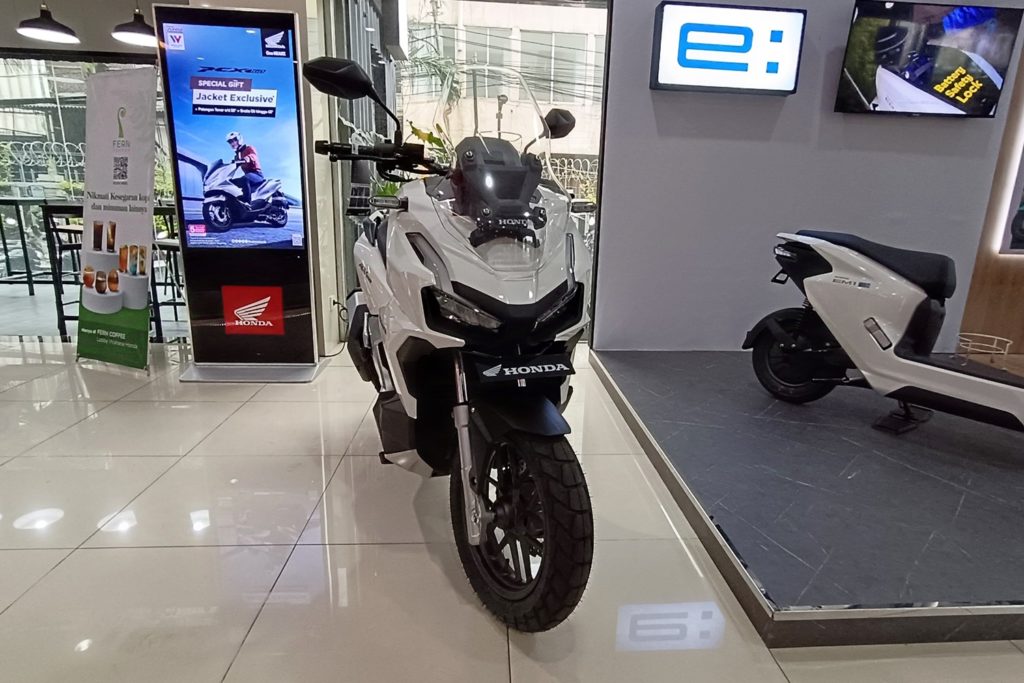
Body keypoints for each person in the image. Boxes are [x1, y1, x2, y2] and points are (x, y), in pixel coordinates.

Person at [225, 132, 264, 203]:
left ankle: (247, 202)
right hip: (248, 176)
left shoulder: (249, 148)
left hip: (257, 175)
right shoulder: (237, 156)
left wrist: (247, 158)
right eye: (230, 142)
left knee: (244, 179)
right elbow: (232, 166)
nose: (233, 143)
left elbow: (253, 155)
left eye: (235, 140)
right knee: (230, 182)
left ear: (239, 139)